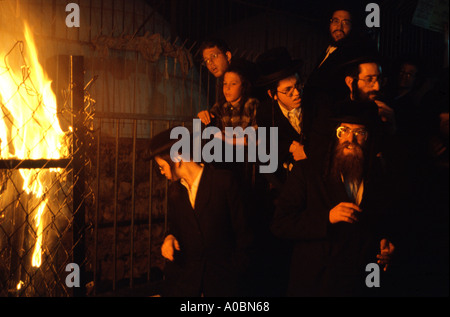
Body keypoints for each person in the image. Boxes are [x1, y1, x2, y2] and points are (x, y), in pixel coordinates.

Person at [271, 100, 396, 296]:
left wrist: (385, 242)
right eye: (344, 130)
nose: (350, 139)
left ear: (368, 138)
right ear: (335, 135)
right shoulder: (308, 171)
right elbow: (281, 224)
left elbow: (382, 220)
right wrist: (327, 217)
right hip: (318, 282)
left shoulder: (378, 173)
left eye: (359, 133)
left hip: (362, 280)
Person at [149, 128, 254, 297]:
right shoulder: (176, 192)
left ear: (176, 159)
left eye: (162, 166)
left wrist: (234, 273)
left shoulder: (223, 182)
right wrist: (170, 237)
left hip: (225, 285)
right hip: (190, 284)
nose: (161, 172)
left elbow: (245, 235)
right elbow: (177, 228)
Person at [255, 47, 307, 190]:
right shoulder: (265, 111)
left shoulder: (314, 105)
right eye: (288, 90)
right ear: (273, 95)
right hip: (285, 178)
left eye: (298, 85)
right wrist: (290, 146)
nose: (296, 93)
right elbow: (265, 144)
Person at [199, 39, 233, 104]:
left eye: (214, 56)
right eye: (207, 60)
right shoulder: (222, 81)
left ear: (228, 56)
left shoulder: (241, 76)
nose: (210, 63)